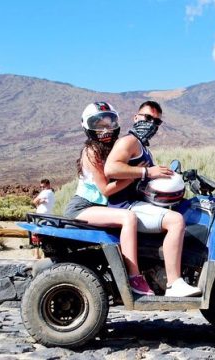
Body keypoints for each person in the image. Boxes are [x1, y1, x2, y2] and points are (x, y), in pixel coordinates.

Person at [104, 100, 201, 297]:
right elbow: (111, 168)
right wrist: (147, 171)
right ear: (136, 117)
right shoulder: (129, 142)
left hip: (135, 204)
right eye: (147, 118)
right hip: (125, 206)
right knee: (176, 221)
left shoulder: (143, 147)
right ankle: (174, 284)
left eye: (156, 122)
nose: (151, 124)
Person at [63, 101, 154, 296]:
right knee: (127, 218)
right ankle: (134, 277)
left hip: (103, 207)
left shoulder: (114, 148)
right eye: (99, 124)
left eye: (110, 123)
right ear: (88, 126)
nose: (105, 129)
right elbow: (105, 190)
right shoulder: (92, 152)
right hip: (84, 207)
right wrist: (138, 174)